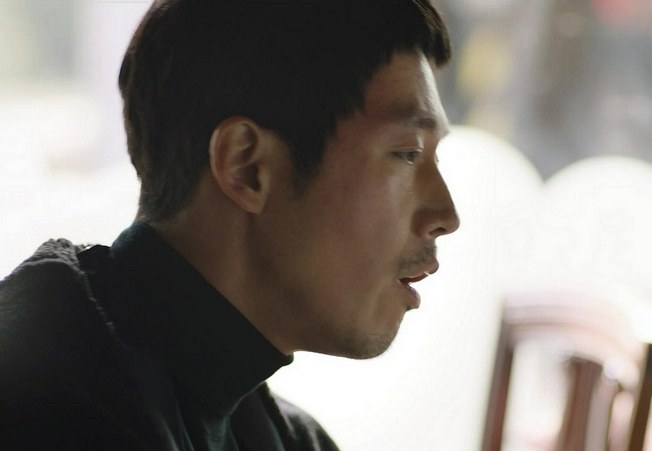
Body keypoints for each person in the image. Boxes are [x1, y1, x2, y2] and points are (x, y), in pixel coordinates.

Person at [0, 0, 459, 449]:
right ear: (246, 166)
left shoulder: (279, 432)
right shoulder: (44, 409)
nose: (446, 216)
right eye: (407, 153)